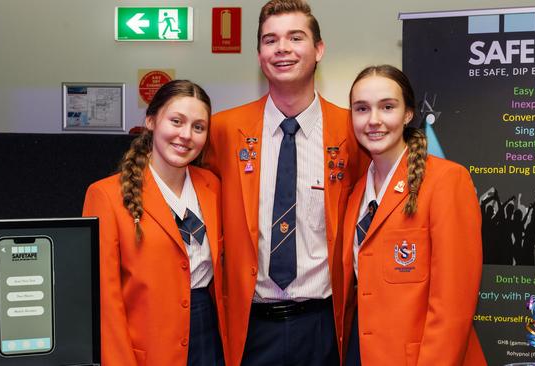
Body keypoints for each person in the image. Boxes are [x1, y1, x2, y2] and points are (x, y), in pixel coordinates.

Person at [205, 0, 367, 365]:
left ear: (319, 49)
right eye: (270, 39)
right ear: (259, 53)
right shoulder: (223, 131)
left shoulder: (353, 133)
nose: (282, 48)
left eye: (296, 37)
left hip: (324, 325)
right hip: (249, 326)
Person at [341, 65, 486, 365]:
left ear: (408, 114)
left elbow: (453, 308)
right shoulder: (355, 193)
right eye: (362, 109)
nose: (374, 121)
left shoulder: (446, 180)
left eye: (387, 107)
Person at [83, 80, 226, 366]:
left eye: (198, 127)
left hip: (208, 334)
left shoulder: (212, 186)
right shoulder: (106, 195)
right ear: (151, 121)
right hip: (149, 344)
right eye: (176, 121)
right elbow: (104, 302)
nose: (186, 135)